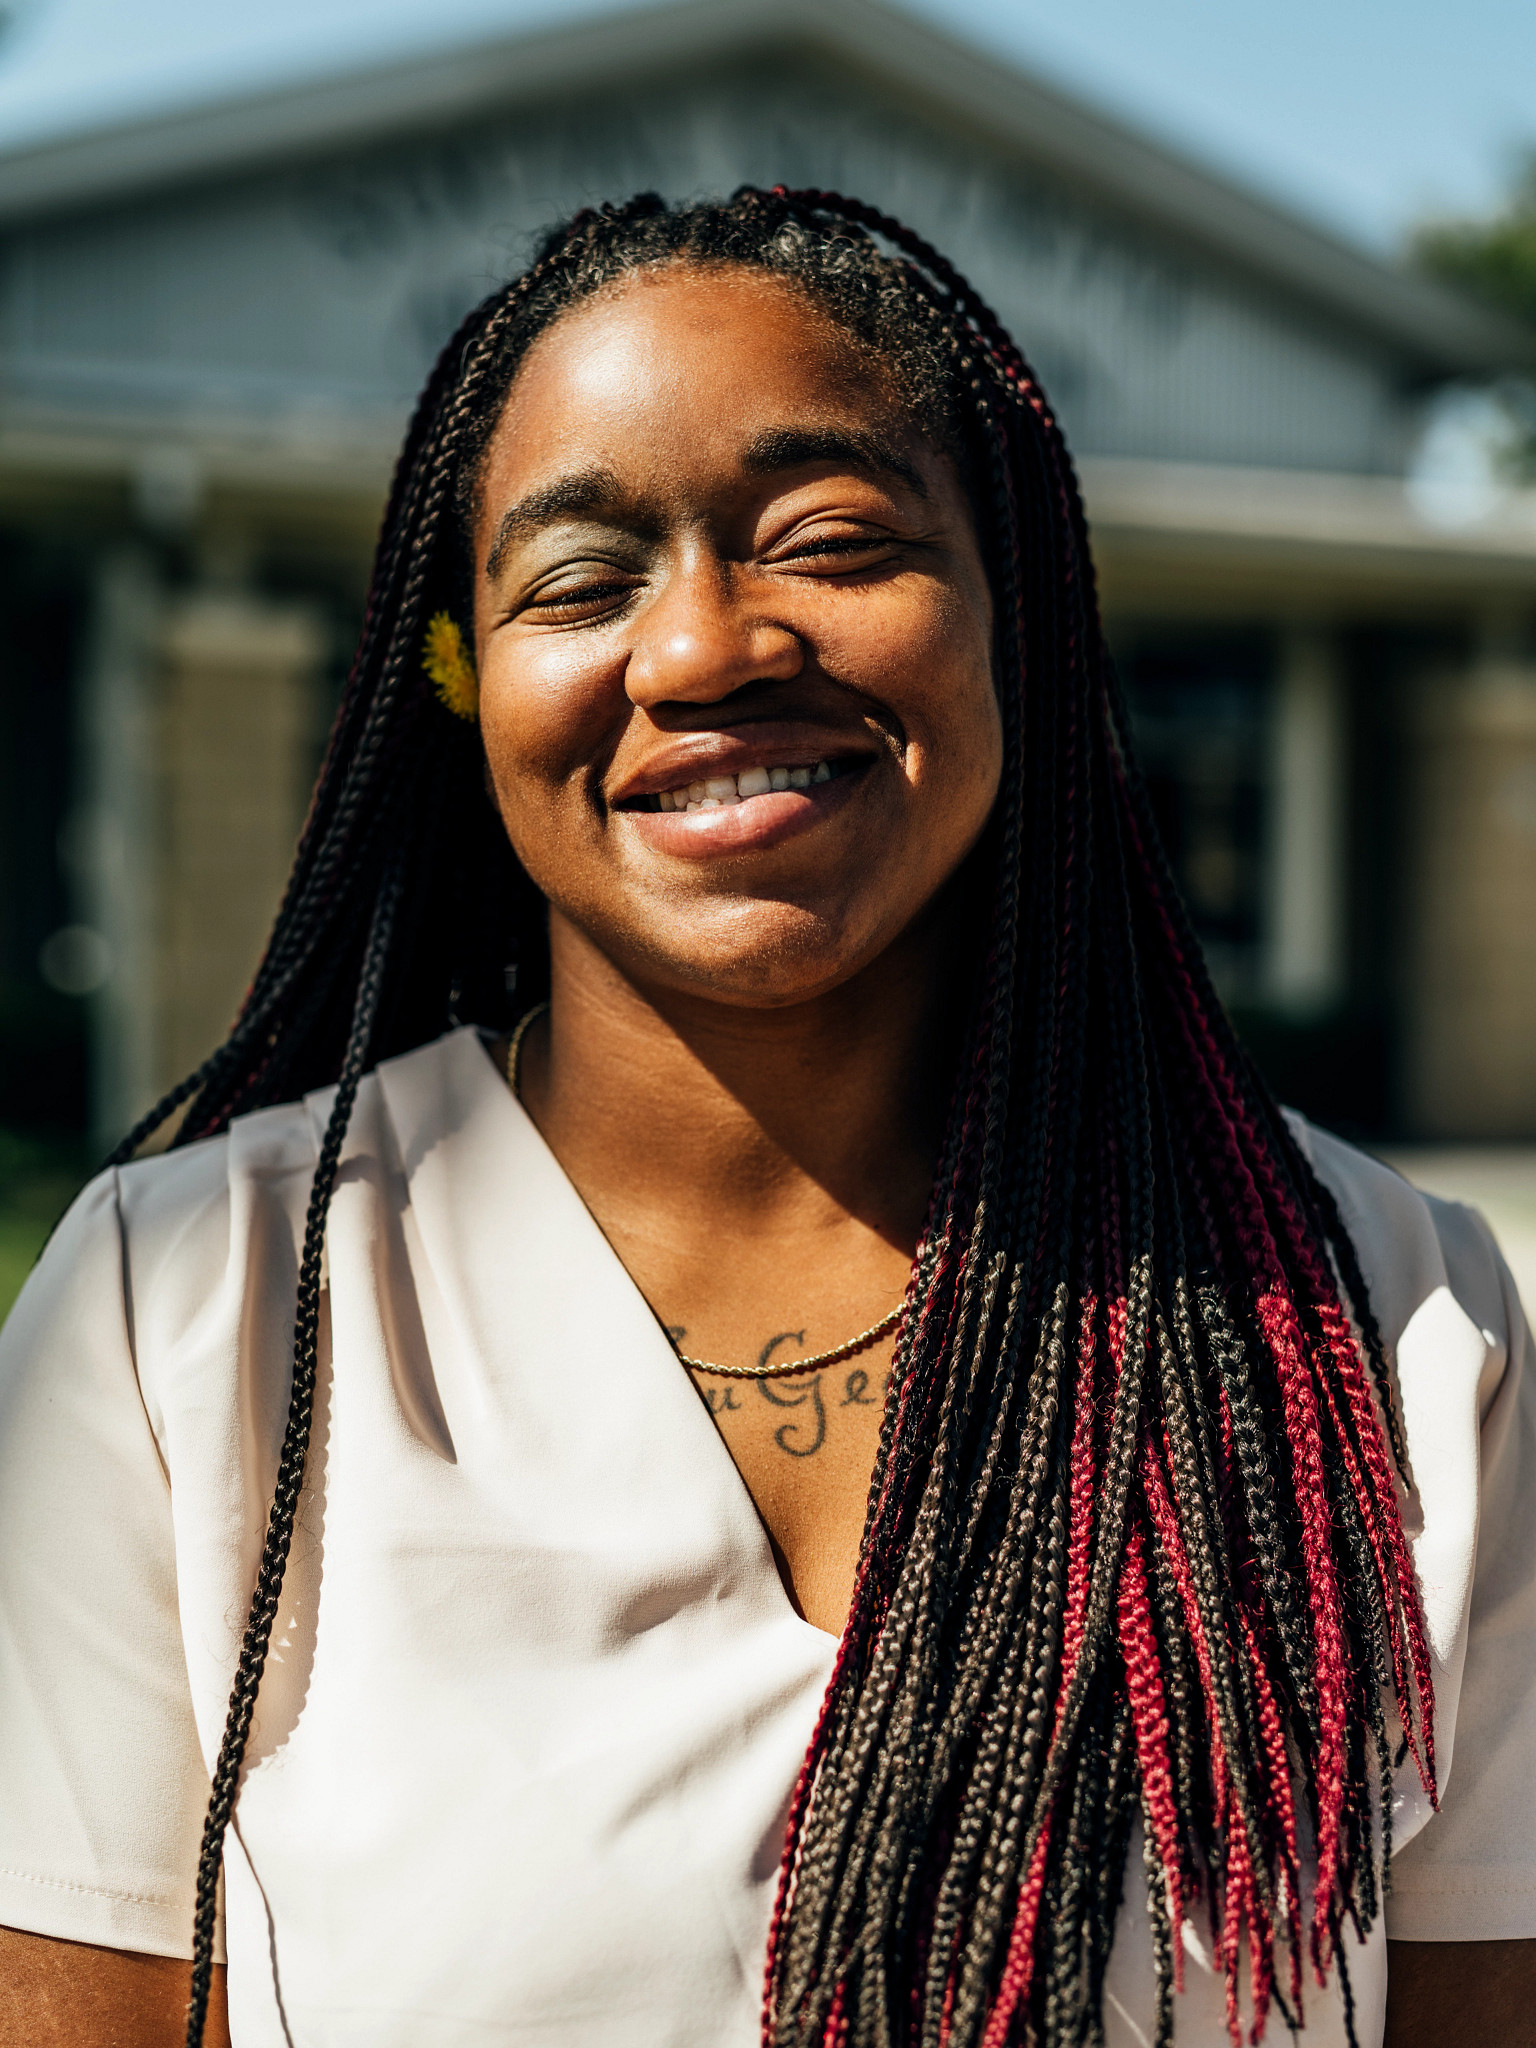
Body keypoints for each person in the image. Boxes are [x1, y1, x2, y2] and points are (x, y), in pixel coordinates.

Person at [0, 189, 1532, 2048]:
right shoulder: (193, 1314)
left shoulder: (1385, 1325)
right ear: (465, 688)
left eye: (830, 540)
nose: (706, 648)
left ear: (1016, 619)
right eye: (578, 578)